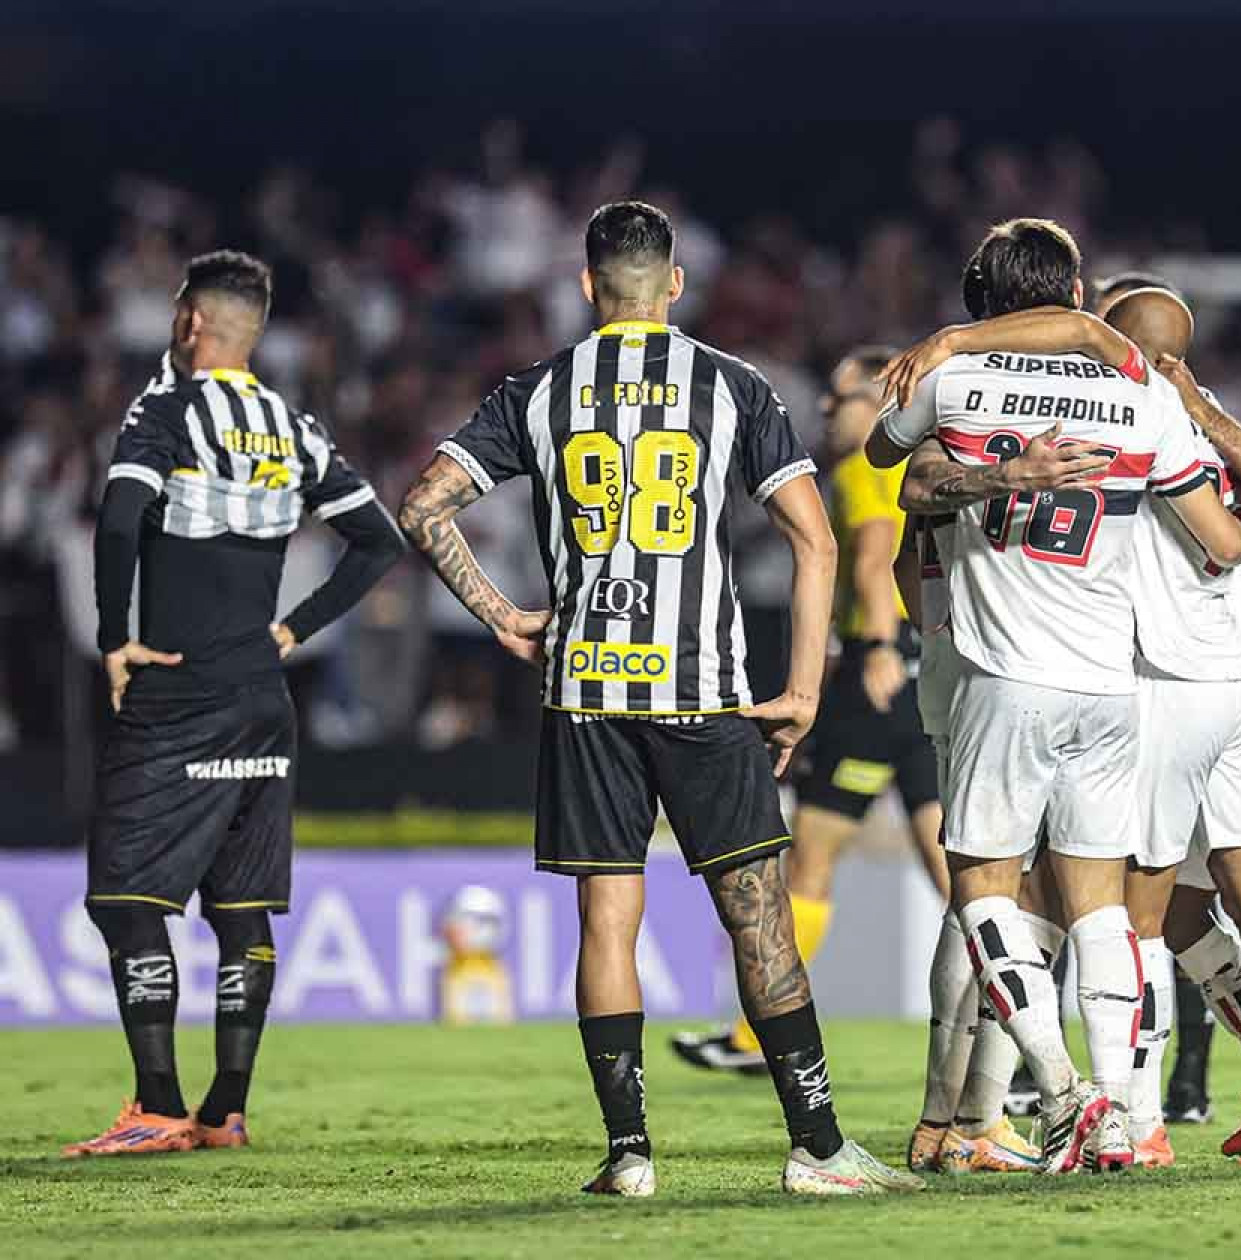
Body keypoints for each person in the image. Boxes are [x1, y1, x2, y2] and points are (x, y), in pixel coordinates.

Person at [398, 201, 918, 1198]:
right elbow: (818, 542)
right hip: (702, 689)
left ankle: (629, 1153)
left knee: (608, 921)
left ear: (589, 287)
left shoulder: (538, 391)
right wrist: (804, 688)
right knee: (757, 915)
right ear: (674, 285)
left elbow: (423, 506)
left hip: (586, 693)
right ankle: (816, 1148)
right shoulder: (731, 386)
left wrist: (503, 613)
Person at [882, 284, 1241, 1170]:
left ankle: (1119, 1121)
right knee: (1239, 910)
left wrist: (953, 342)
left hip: (1153, 683)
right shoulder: (1184, 412)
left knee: (1085, 912)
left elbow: (912, 518)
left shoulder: (1111, 409)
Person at [865, 218, 1241, 1173]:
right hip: (1110, 681)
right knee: (1098, 907)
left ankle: (1027, 1102)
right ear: (1077, 293)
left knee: (982, 891)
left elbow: (892, 468)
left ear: (974, 299)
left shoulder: (945, 377)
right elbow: (1224, 537)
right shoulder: (1139, 393)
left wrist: (983, 432)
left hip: (991, 670)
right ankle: (1112, 1110)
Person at [66, 251, 405, 1156]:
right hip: (263, 693)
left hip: (178, 689)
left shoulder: (166, 407)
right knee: (240, 909)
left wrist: (111, 635)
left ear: (188, 325)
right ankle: (225, 1111)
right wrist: (294, 633)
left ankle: (155, 1105)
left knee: (127, 899)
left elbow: (120, 515)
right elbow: (379, 542)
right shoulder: (294, 427)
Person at [673, 347, 949, 1074]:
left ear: (885, 400)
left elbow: (872, 557)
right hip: (925, 672)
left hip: (878, 679)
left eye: (842, 399)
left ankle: (754, 1036)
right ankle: (1008, 1039)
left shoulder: (868, 468)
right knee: (955, 868)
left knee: (812, 861)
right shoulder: (927, 462)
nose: (827, 413)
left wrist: (878, 645)